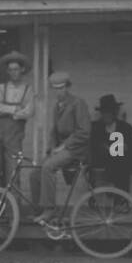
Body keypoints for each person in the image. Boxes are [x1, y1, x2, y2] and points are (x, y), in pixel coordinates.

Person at [34, 71, 92, 223]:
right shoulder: (57, 106)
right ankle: (39, 210)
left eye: (61, 88)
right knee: (35, 173)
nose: (59, 91)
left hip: (76, 150)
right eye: (55, 88)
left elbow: (84, 132)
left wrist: (64, 146)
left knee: (47, 167)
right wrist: (51, 148)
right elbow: (55, 131)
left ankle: (49, 210)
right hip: (62, 149)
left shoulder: (78, 103)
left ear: (67, 87)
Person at [0, 51, 36, 189]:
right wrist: (14, 110)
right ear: (7, 71)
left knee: (13, 172)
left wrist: (8, 110)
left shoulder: (28, 90)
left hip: (14, 135)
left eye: (16, 69)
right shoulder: (1, 88)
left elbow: (29, 111)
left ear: (22, 70)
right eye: (10, 70)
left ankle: (13, 210)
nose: (13, 72)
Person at [89, 94, 132, 192]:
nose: (107, 114)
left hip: (121, 166)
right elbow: (90, 147)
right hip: (102, 164)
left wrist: (126, 148)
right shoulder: (95, 128)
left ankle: (121, 202)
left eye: (109, 111)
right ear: (101, 113)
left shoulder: (126, 128)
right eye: (104, 112)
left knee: (122, 165)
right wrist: (104, 148)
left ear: (115, 112)